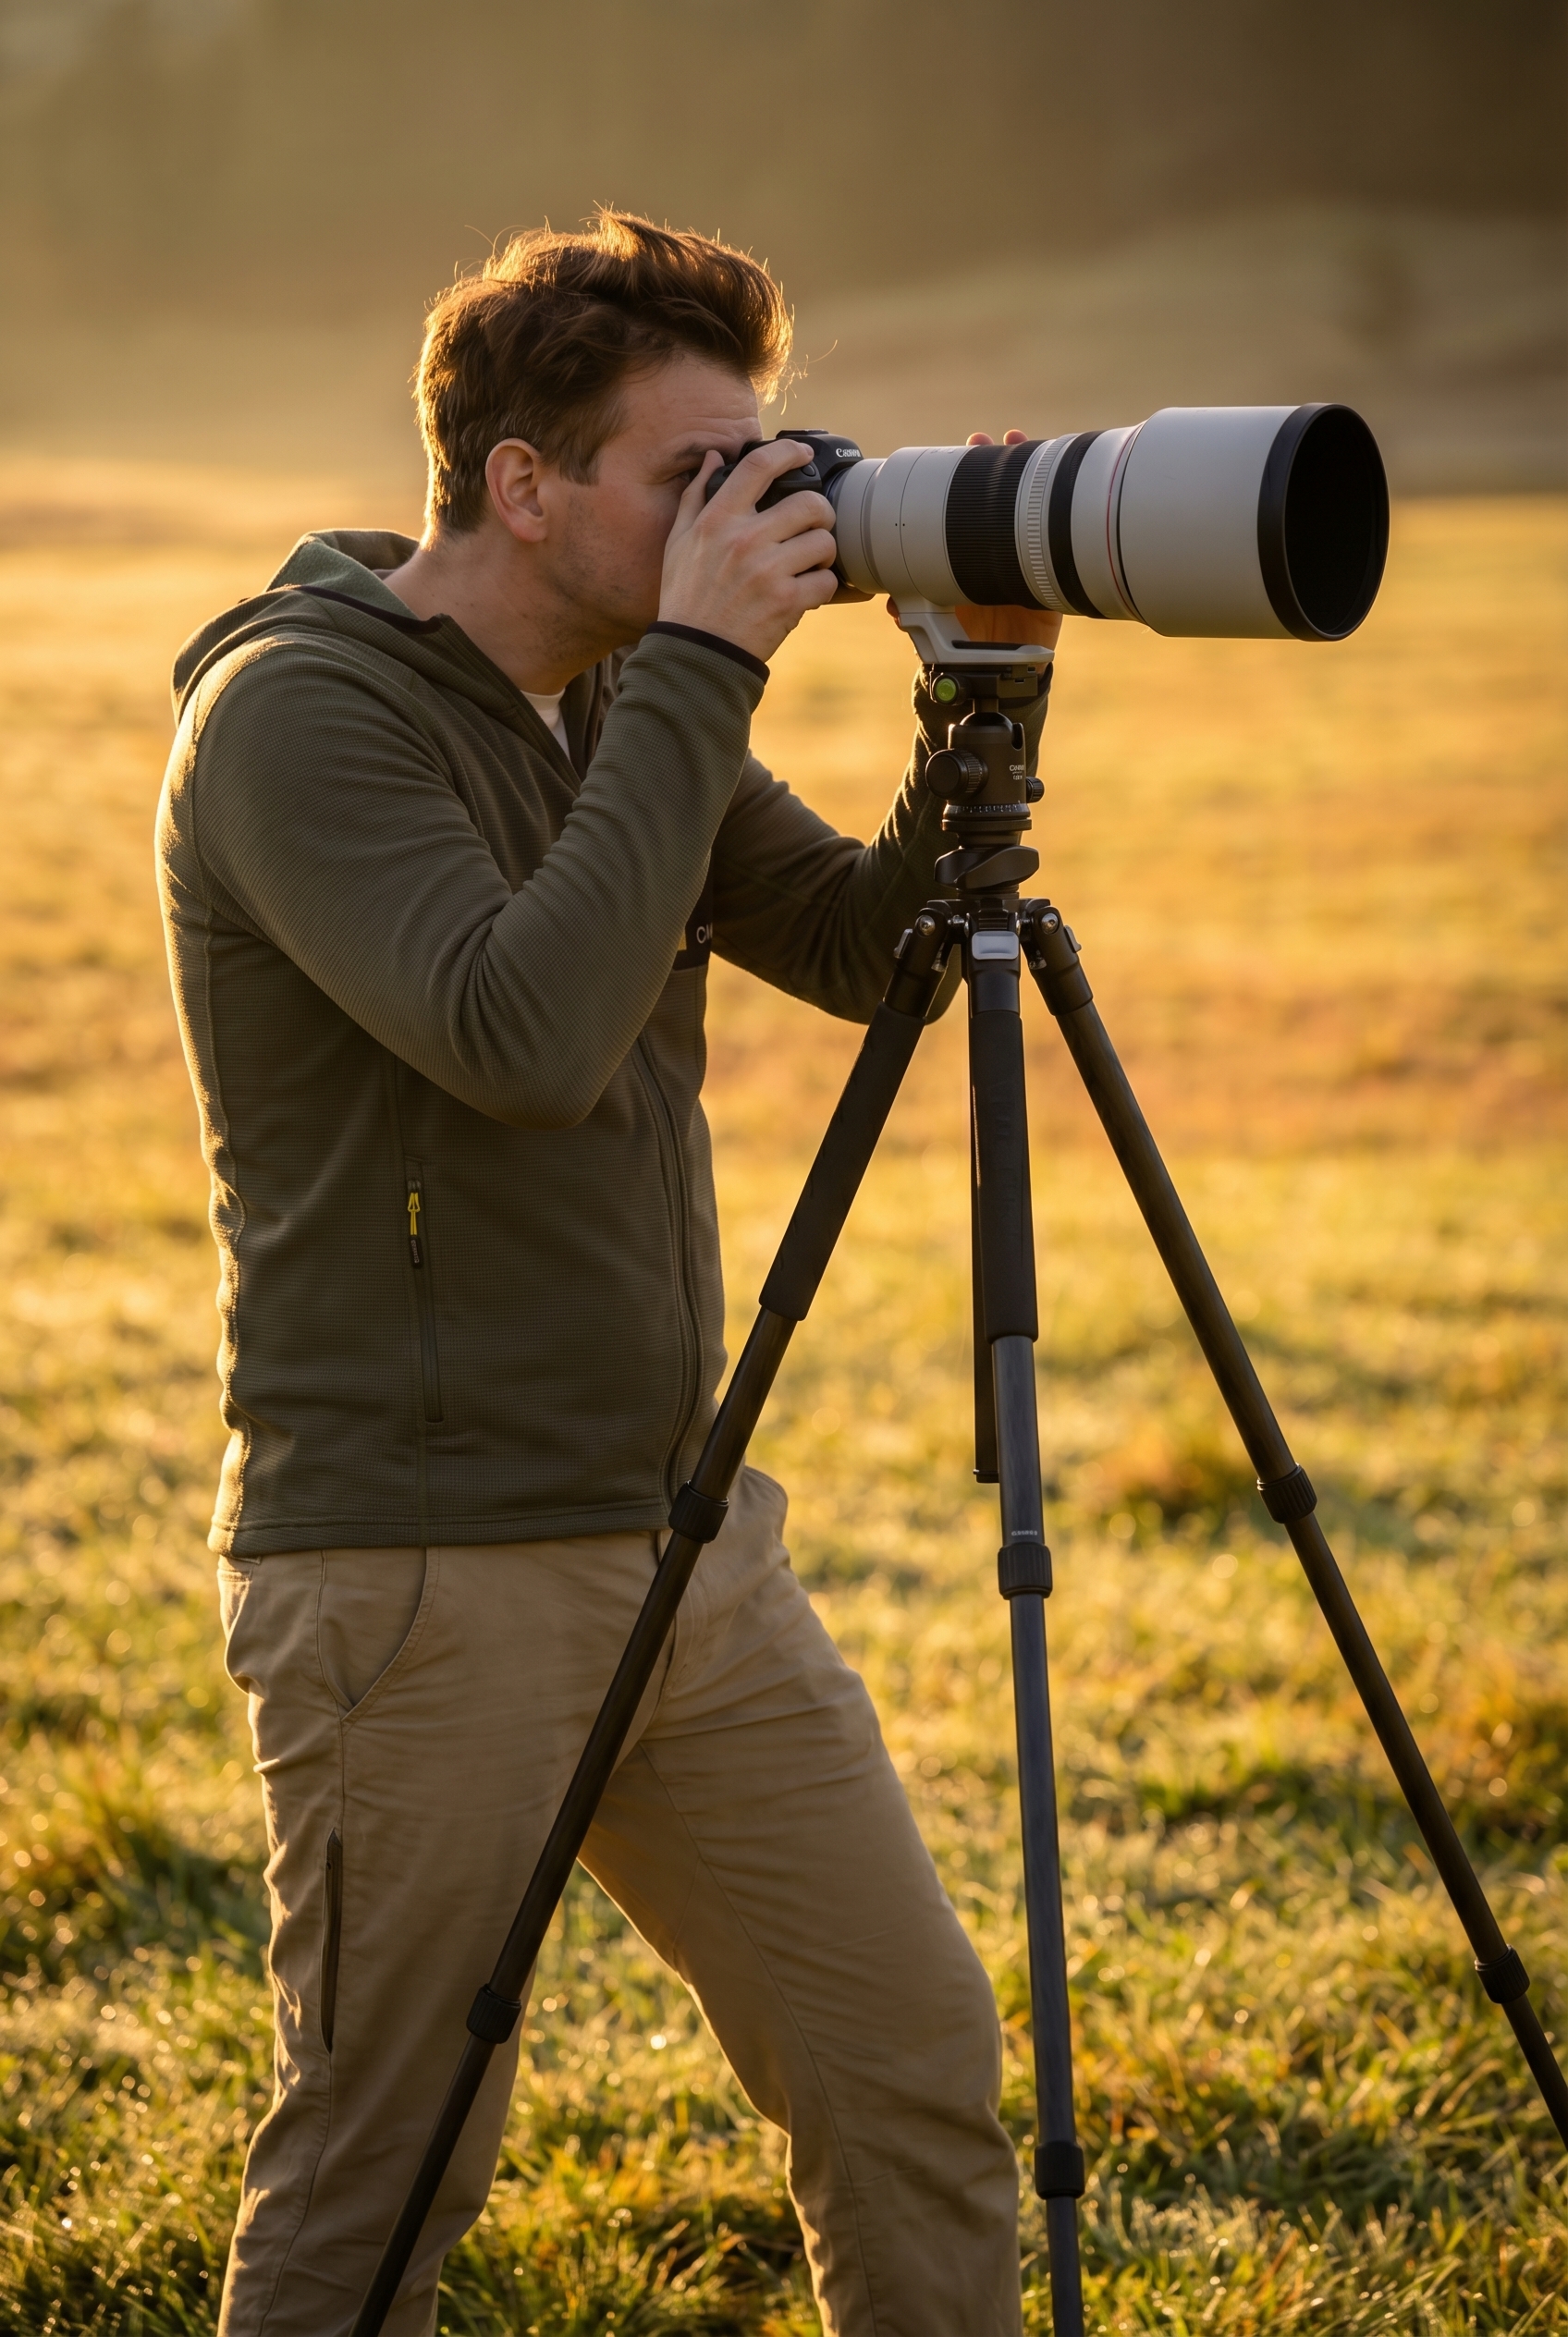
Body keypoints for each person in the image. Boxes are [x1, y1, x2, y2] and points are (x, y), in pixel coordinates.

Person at [157, 210, 1060, 2337]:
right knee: (383, 2174)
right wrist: (704, 666)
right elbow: (522, 1040)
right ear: (520, 484)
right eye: (687, 477)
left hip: (686, 1544)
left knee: (911, 2069)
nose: (741, 511)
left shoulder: (611, 701)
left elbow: (860, 948)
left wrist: (986, 679)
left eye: (754, 462)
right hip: (418, 1572)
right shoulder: (298, 722)